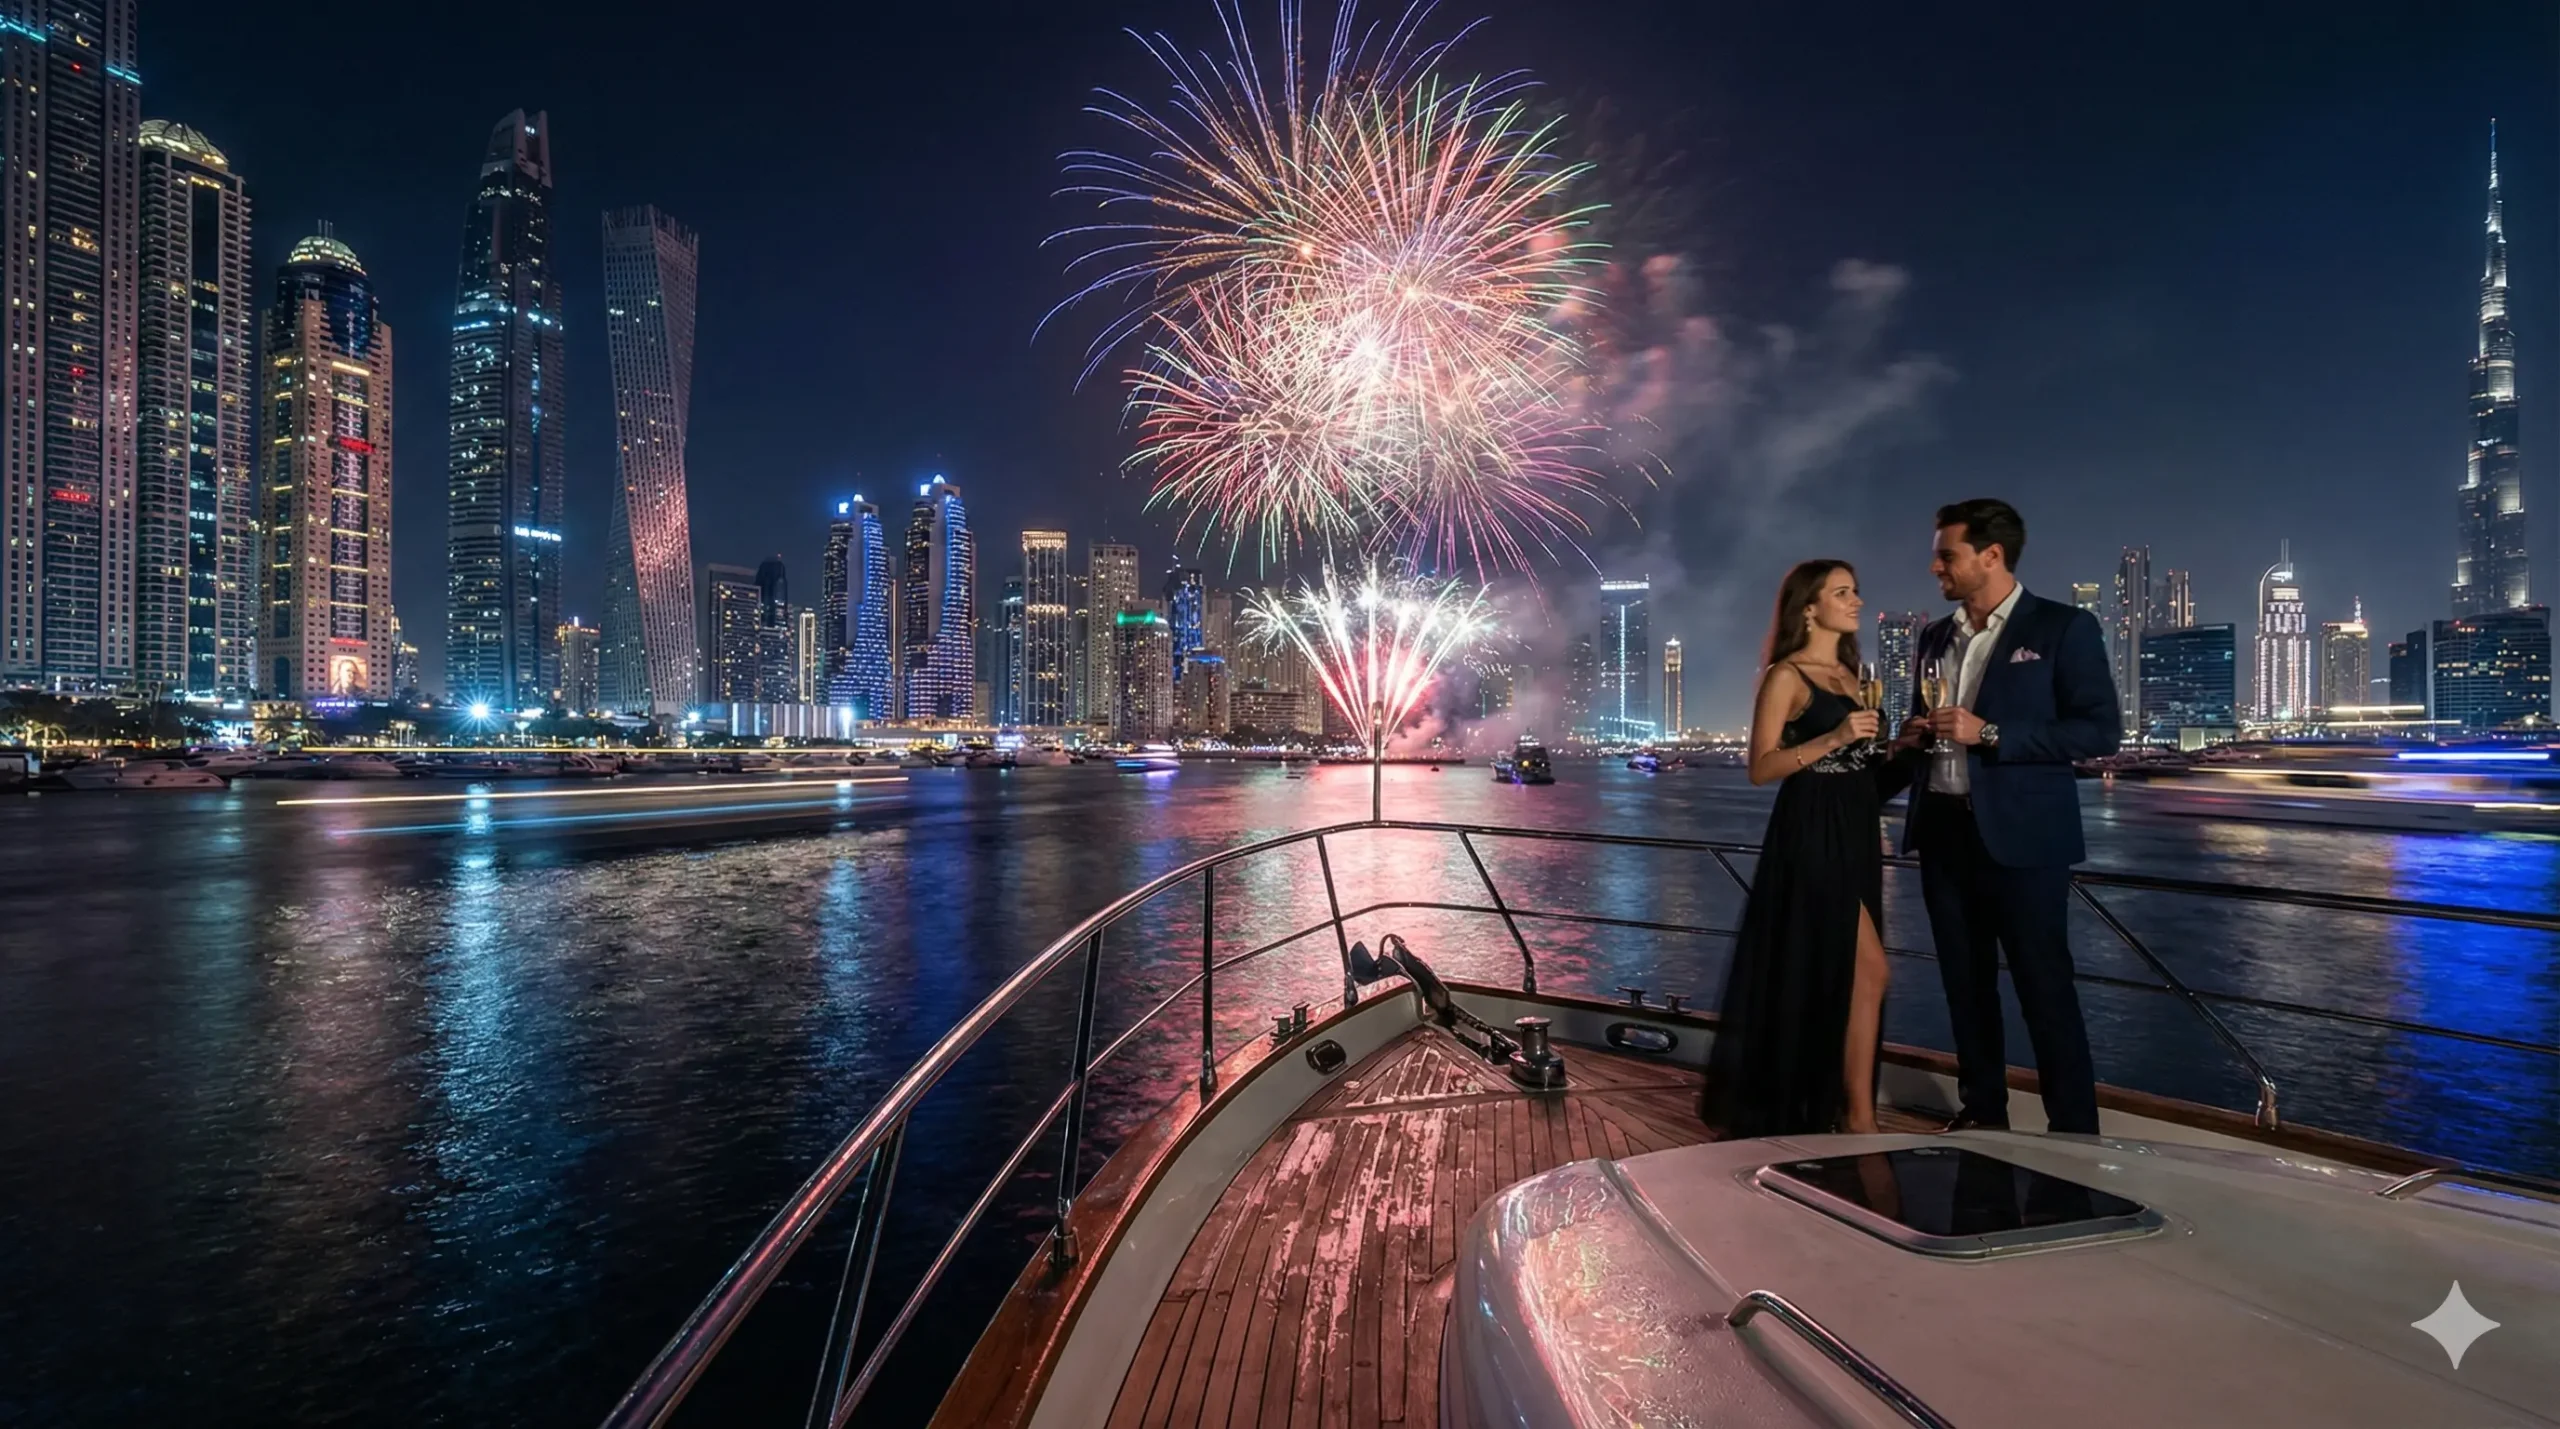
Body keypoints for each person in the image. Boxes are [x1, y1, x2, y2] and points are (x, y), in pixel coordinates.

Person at [1896, 498, 2120, 1135]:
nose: (1934, 567)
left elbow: (2099, 731)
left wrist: (1990, 732)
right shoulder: (1934, 637)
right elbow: (1926, 722)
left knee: (2045, 989)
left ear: (1991, 555)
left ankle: (2073, 1132)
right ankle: (1982, 1115)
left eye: (1947, 555)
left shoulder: (2062, 627)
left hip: (2026, 841)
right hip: (1944, 833)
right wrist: (1911, 736)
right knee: (1964, 987)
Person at [1701, 560, 1902, 1137]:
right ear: (1809, 609)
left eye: (1856, 590)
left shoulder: (1852, 674)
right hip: (1811, 827)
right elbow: (1761, 768)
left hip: (1856, 827)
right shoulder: (1786, 676)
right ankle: (1855, 1115)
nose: (1856, 600)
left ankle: (1849, 1108)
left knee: (1850, 971)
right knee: (1868, 969)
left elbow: (1862, 770)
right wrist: (1834, 736)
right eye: (1842, 592)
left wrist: (1905, 748)